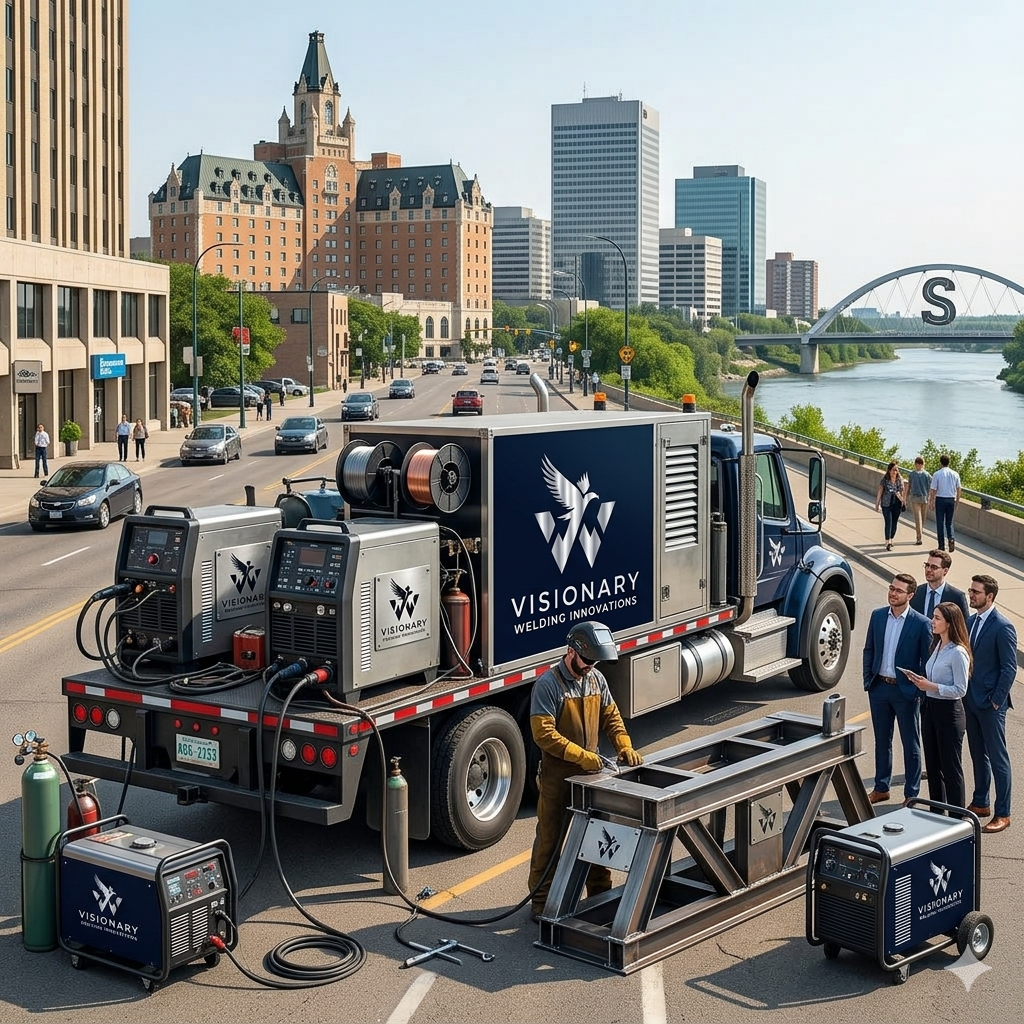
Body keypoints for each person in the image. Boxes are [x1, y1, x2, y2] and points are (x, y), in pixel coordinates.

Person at [528, 621, 643, 921]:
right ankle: (541, 905)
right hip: (557, 780)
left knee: (596, 840)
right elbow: (543, 733)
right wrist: (581, 756)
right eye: (587, 660)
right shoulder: (548, 684)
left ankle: (600, 897)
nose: (591, 666)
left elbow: (612, 717)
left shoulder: (596, 681)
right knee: (549, 843)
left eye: (595, 662)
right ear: (571, 652)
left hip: (589, 779)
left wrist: (624, 745)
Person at [862, 572, 932, 805]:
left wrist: (918, 691)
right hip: (879, 687)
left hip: (906, 692)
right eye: (892, 588)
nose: (893, 593)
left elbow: (927, 661)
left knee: (910, 743)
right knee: (882, 740)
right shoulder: (878, 616)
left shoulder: (921, 623)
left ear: (910, 595)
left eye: (899, 590)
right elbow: (869, 649)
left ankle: (911, 793)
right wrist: (868, 680)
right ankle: (882, 787)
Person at [964, 574, 1017, 833]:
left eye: (976, 592)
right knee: (977, 754)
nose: (971, 595)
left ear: (990, 596)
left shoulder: (1003, 626)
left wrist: (996, 702)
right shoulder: (970, 620)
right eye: (971, 590)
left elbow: (1009, 669)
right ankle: (981, 802)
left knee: (998, 758)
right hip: (970, 700)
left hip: (991, 704)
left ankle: (1003, 812)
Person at [906, 602, 971, 809]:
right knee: (933, 766)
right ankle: (936, 811)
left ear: (950, 623)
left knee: (950, 768)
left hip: (949, 713)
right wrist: (921, 682)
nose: (932, 621)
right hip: (931, 709)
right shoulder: (937, 645)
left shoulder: (958, 652)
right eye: (933, 617)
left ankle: (957, 817)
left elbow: (961, 689)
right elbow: (935, 679)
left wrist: (931, 686)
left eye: (937, 618)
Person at [911, 549, 969, 623]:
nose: (928, 570)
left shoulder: (956, 596)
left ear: (945, 571)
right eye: (927, 565)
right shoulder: (917, 592)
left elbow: (964, 626)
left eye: (934, 567)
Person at [929, 454, 962, 552]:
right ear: (949, 462)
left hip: (940, 499)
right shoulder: (955, 474)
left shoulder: (937, 474)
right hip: (951, 499)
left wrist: (931, 501)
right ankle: (951, 538)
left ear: (940, 463)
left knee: (940, 522)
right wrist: (957, 501)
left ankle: (941, 545)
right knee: (949, 522)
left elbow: (933, 489)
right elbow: (959, 488)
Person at [874, 460, 907, 552]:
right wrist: (877, 503)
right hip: (886, 503)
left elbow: (902, 492)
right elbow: (880, 491)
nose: (895, 472)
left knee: (894, 522)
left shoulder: (899, 480)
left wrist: (903, 502)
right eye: (893, 470)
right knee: (888, 522)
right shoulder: (885, 479)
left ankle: (891, 539)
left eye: (896, 470)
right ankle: (887, 541)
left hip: (896, 504)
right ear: (889, 470)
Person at [906, 456, 931, 545]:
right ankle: (919, 536)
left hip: (917, 498)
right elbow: (930, 488)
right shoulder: (927, 475)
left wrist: (906, 496)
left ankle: (919, 536)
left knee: (919, 518)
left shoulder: (912, 474)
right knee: (922, 519)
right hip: (923, 498)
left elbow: (909, 486)